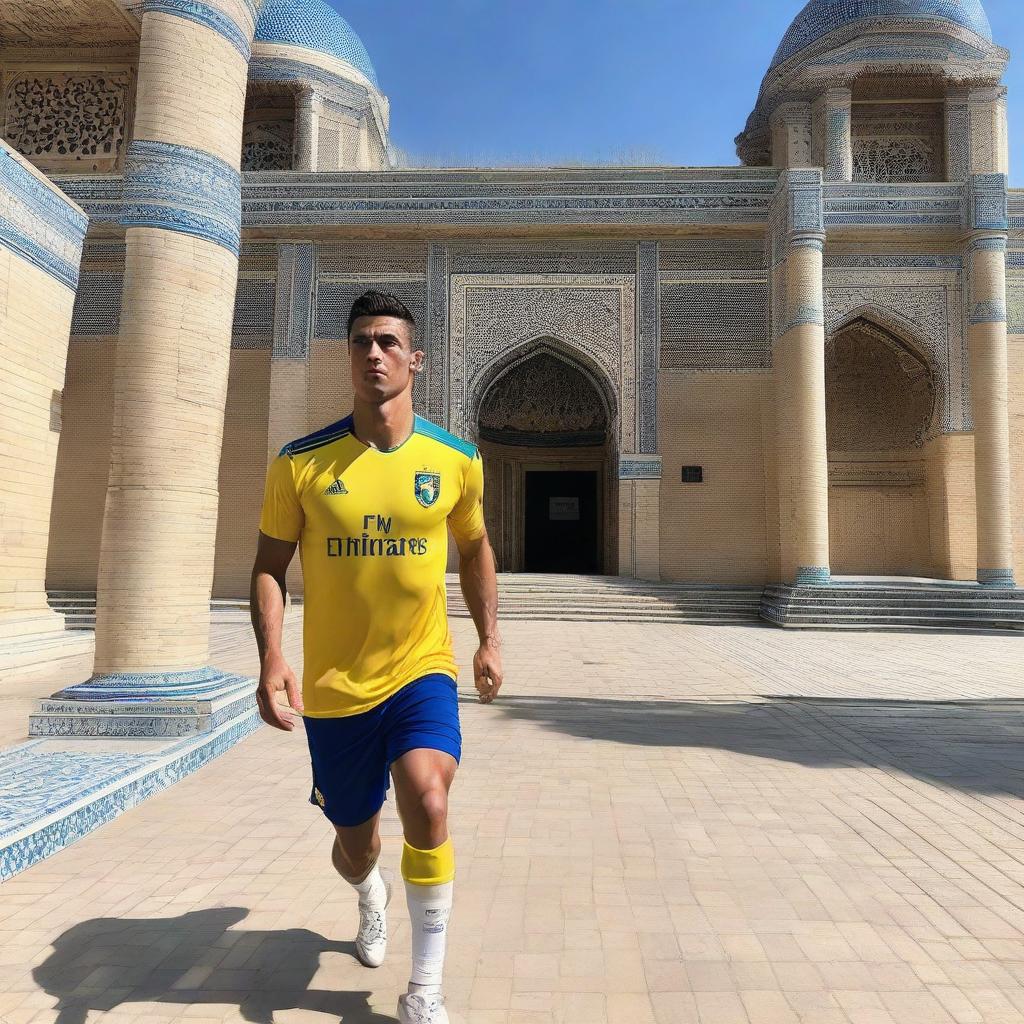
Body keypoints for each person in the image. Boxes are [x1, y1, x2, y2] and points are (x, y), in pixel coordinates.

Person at [250, 290, 502, 1024]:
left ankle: (424, 987)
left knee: (428, 799)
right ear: (348, 356)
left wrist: (488, 638)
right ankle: (368, 890)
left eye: (389, 342)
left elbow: (475, 546)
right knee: (355, 848)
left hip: (423, 668)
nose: (374, 353)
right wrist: (272, 660)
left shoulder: (455, 459)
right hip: (334, 689)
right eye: (361, 341)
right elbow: (268, 567)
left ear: (415, 358)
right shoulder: (300, 464)